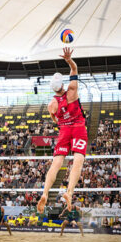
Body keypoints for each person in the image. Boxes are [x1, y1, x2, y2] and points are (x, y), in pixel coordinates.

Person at [37, 47, 87, 214]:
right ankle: (69, 192)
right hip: (79, 127)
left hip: (64, 130)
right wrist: (68, 60)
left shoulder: (51, 104)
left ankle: (45, 193)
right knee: (78, 161)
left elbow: (55, 119)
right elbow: (74, 69)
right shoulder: (72, 90)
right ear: (63, 84)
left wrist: (61, 121)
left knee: (56, 163)